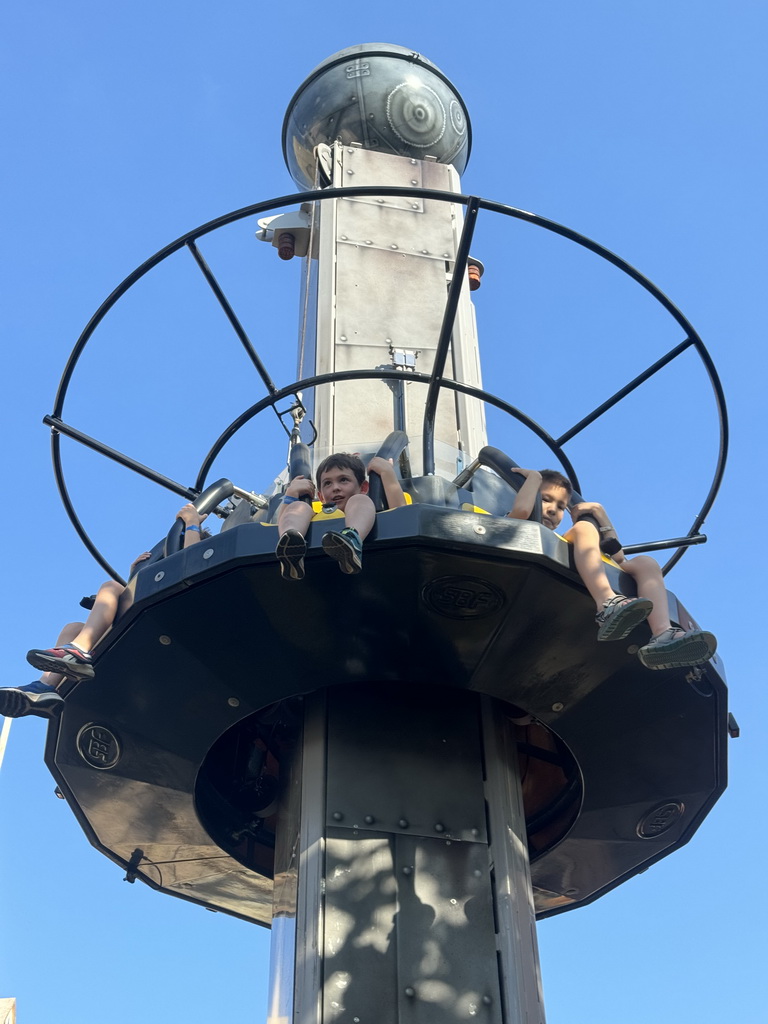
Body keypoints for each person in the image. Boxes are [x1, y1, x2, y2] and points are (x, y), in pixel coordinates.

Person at [0, 503, 208, 719]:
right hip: (145, 625)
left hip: (177, 620)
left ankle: (78, 651)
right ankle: (45, 687)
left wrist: (192, 524)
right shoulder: (163, 576)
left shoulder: (197, 564)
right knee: (73, 627)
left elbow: (192, 560)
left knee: (111, 587)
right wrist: (135, 574)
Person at [507, 469, 717, 670]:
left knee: (646, 563)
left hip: (582, 563)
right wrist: (533, 478)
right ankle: (607, 604)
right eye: (545, 499)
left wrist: (600, 513)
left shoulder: (573, 542)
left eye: (562, 507)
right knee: (584, 528)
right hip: (527, 570)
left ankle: (662, 634)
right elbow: (523, 511)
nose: (553, 510)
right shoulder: (513, 525)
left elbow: (617, 558)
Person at [276, 453, 406, 580]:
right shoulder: (312, 516)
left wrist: (387, 474)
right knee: (299, 507)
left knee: (360, 500)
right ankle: (291, 548)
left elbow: (402, 518)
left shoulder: (366, 507)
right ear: (320, 497)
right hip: (316, 569)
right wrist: (291, 494)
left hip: (373, 563)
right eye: (327, 483)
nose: (335, 488)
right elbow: (276, 526)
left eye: (343, 480)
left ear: (364, 487)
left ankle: (352, 541)